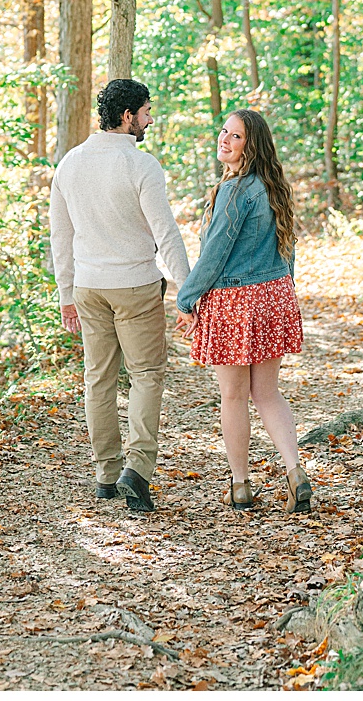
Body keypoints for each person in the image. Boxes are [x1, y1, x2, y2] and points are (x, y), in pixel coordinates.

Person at [49, 78, 191, 513]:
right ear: (128, 116)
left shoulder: (70, 163)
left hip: (89, 287)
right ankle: (137, 469)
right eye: (146, 112)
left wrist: (66, 294)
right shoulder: (141, 165)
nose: (150, 120)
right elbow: (165, 233)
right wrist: (187, 289)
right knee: (146, 375)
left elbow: (60, 236)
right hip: (134, 286)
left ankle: (106, 475)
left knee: (99, 378)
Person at [174, 108, 311, 513]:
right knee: (267, 393)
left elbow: (215, 254)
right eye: (224, 131)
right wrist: (283, 290)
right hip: (274, 295)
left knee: (233, 396)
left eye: (235, 136)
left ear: (252, 146)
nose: (225, 139)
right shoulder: (273, 187)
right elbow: (287, 250)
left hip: (234, 301)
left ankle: (239, 485)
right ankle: (295, 472)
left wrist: (186, 299)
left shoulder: (234, 192)